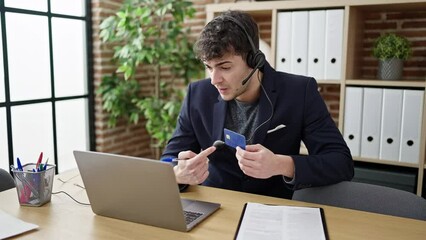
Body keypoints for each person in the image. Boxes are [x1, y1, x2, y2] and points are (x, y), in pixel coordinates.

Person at [161, 10, 354, 199]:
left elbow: (341, 163)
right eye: (209, 67)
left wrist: (280, 164)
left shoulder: (299, 92)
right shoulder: (198, 94)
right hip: (215, 206)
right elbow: (168, 159)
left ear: (254, 59)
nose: (214, 79)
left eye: (225, 67)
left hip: (273, 209)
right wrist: (178, 173)